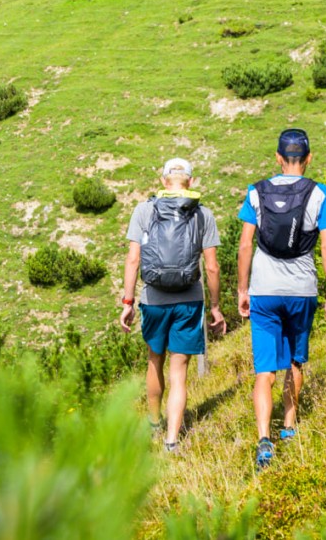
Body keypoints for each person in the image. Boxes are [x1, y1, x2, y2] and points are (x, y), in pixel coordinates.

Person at [237, 128, 326, 470]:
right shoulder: (321, 194)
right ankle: (290, 426)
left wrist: (242, 290)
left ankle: (263, 439)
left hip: (264, 290)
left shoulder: (256, 192)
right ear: (309, 159)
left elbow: (244, 245)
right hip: (301, 290)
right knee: (295, 362)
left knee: (264, 369)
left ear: (278, 158)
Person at [120, 158, 226, 452]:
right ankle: (171, 441)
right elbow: (213, 267)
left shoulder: (144, 210)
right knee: (179, 371)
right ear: (190, 182)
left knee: (155, 359)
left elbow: (133, 259)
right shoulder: (203, 214)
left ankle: (154, 423)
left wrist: (128, 302)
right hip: (189, 299)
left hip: (153, 299)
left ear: (163, 179)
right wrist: (215, 307)